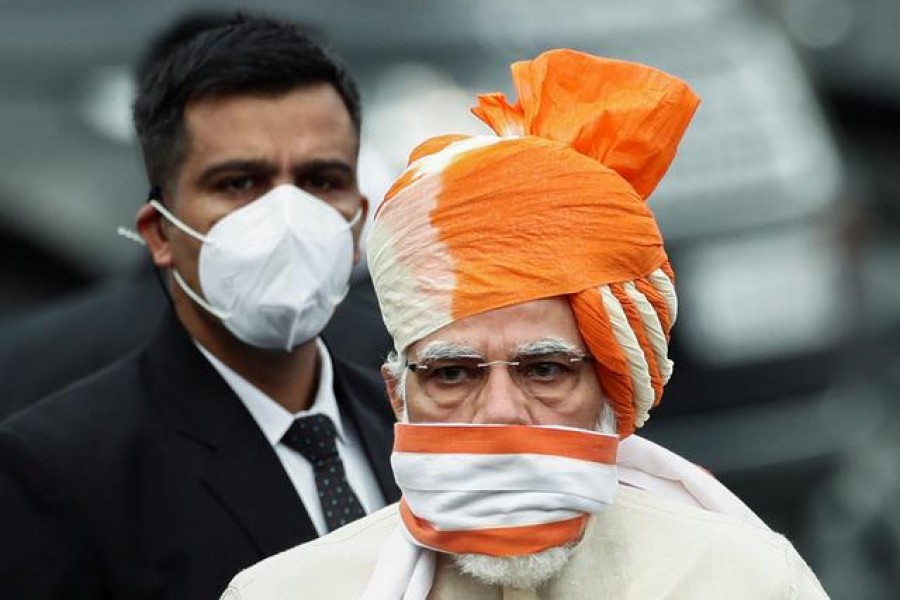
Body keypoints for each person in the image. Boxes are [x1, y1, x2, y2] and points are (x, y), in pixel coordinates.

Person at [222, 49, 829, 599]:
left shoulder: (744, 582)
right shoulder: (286, 592)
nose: (501, 412)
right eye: (453, 374)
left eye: (544, 370)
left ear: (612, 394)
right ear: (398, 396)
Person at [0, 13, 399, 600]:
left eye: (320, 180)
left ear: (359, 220)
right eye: (240, 183)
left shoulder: (417, 427)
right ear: (159, 233)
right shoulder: (59, 466)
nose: (288, 220)